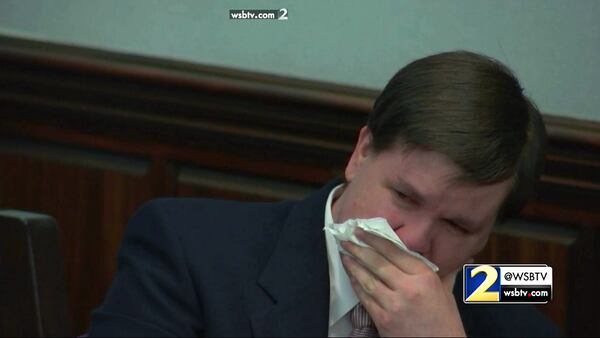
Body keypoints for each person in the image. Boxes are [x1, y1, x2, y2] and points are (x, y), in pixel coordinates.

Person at [88, 51, 559, 337]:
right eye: (404, 197)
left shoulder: (513, 307)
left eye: (457, 225)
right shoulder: (188, 245)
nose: (413, 241)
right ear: (362, 152)